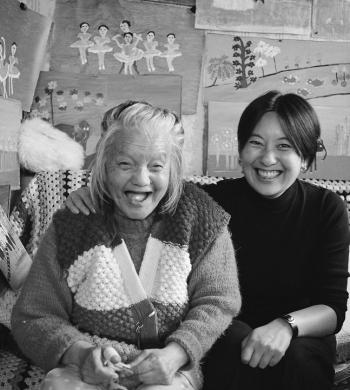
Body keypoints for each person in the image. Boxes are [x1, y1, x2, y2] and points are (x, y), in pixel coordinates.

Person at [65, 91, 350, 390]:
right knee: (228, 345)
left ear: (304, 157)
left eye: (284, 146)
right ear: (240, 151)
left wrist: (286, 326)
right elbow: (147, 194)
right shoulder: (209, 203)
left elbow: (332, 308)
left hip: (298, 334)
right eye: (256, 143)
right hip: (226, 330)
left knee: (300, 361)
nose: (268, 158)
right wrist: (94, 195)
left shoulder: (326, 208)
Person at [11, 101, 241, 390]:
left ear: (174, 168)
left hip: (167, 370)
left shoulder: (201, 219)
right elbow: (34, 315)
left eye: (157, 166)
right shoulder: (74, 222)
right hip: (86, 369)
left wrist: (174, 355)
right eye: (124, 164)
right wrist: (80, 355)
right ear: (104, 165)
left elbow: (218, 301)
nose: (141, 179)